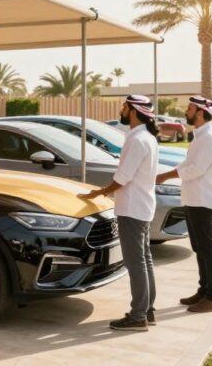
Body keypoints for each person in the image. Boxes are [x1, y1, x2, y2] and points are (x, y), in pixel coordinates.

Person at [81, 95, 159, 331]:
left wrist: (101, 192)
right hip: (142, 206)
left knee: (136, 263)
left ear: (134, 111)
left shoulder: (137, 140)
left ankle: (138, 317)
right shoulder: (147, 137)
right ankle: (148, 311)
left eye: (124, 107)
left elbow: (123, 177)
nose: (121, 110)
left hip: (133, 208)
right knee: (144, 260)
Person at [156, 96, 212, 313]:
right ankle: (203, 291)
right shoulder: (200, 136)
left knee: (207, 248)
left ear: (201, 113)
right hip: (194, 199)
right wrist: (166, 172)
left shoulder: (209, 138)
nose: (187, 111)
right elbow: (187, 164)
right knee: (199, 248)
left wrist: (166, 175)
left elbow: (196, 169)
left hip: (203, 200)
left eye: (190, 109)